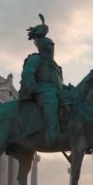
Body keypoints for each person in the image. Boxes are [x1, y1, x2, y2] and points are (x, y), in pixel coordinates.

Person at [19, 14, 72, 143]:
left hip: (55, 90)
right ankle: (51, 132)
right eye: (48, 45)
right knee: (50, 101)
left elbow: (58, 83)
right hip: (42, 90)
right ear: (42, 45)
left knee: (72, 100)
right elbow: (28, 74)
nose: (51, 48)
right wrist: (33, 87)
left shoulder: (56, 66)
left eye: (52, 46)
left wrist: (67, 88)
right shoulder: (35, 58)